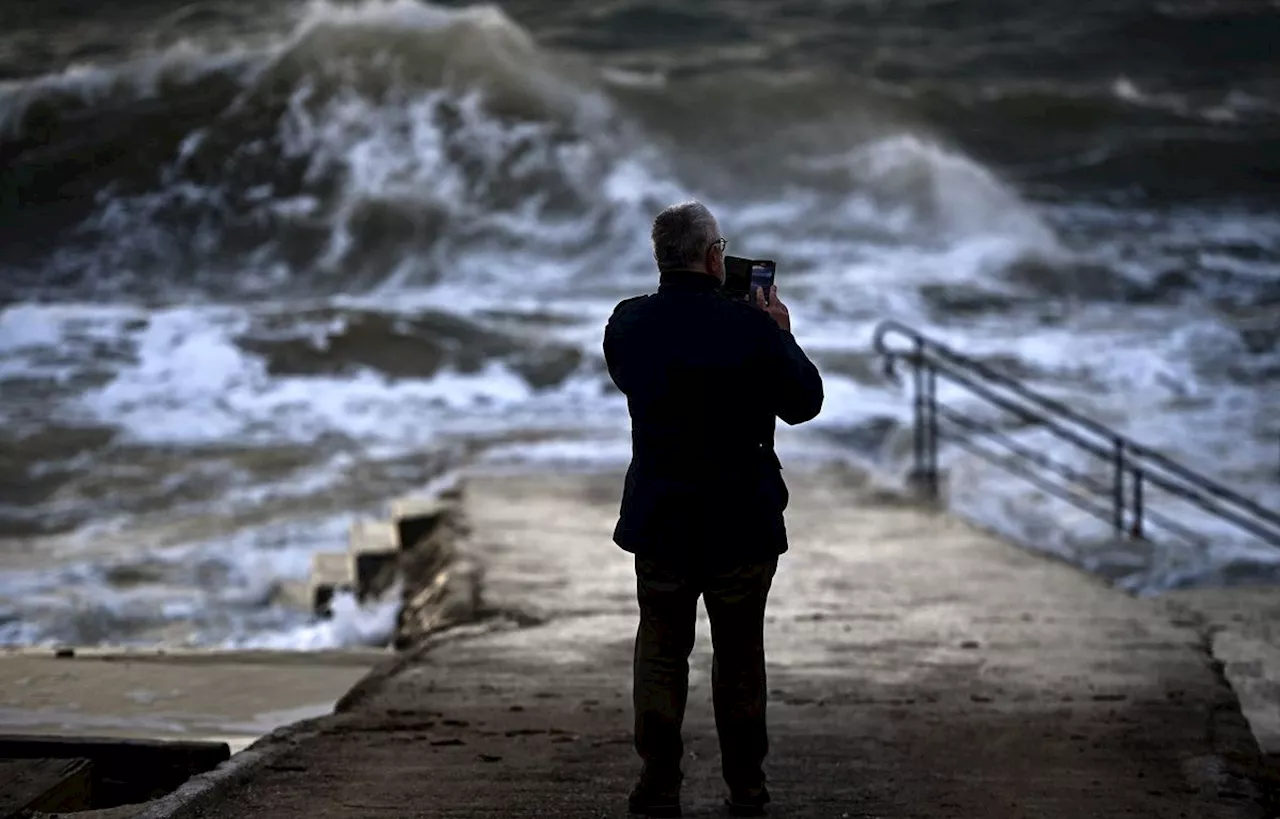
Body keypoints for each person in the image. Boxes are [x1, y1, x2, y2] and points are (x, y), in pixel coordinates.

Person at [603, 201, 824, 817]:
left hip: (662, 518)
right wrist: (778, 332)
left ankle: (657, 785)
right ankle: (747, 791)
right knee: (739, 663)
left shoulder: (627, 324)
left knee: (661, 652)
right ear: (712, 257)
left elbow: (633, 376)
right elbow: (805, 401)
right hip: (741, 522)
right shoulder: (751, 330)